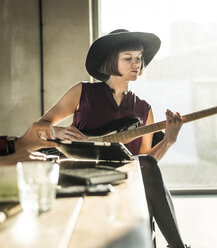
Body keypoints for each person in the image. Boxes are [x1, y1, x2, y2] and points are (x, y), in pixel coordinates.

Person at [37, 29, 190, 248]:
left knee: (145, 165)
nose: (135, 63)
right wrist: (56, 131)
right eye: (128, 58)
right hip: (82, 171)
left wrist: (168, 141)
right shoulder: (83, 92)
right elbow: (41, 126)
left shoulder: (143, 108)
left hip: (124, 178)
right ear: (110, 62)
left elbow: (145, 162)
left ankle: (177, 246)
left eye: (138, 58)